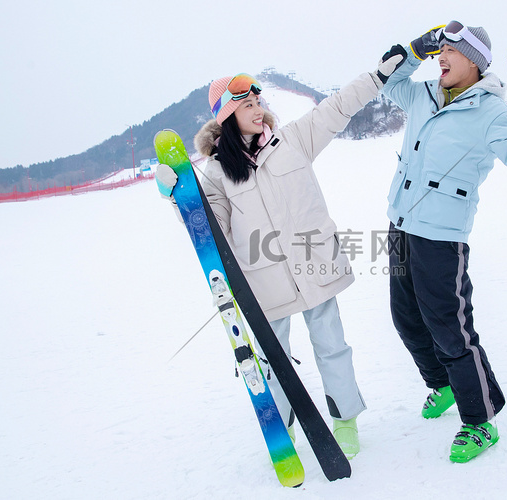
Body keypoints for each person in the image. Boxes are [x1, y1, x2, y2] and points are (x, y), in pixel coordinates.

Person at [155, 55, 406, 460]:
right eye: (247, 105)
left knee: (332, 345)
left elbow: (338, 106)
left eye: (258, 102)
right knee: (273, 359)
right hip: (264, 279)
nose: (258, 110)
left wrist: (376, 76)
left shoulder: (292, 139)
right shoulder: (217, 172)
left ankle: (345, 423)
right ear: (228, 116)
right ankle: (284, 427)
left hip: (314, 263)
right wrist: (177, 198)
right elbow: (210, 228)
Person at [378, 21, 507, 463]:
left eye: (450, 51)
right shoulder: (421, 94)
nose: (440, 56)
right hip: (401, 224)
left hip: (442, 238)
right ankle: (441, 385)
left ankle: (480, 420)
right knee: (405, 317)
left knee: (451, 331)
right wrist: (413, 48)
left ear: (475, 62)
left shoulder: (491, 112)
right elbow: (388, 80)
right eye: (437, 50)